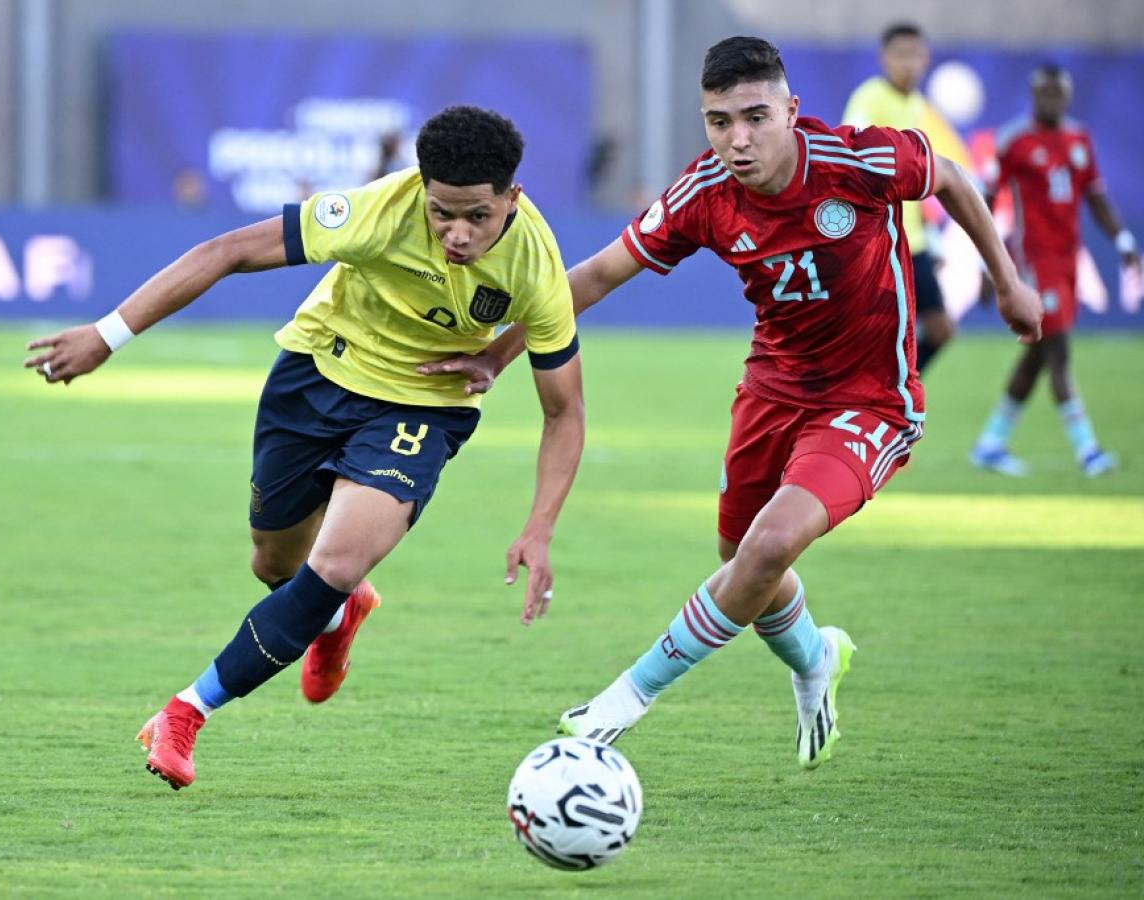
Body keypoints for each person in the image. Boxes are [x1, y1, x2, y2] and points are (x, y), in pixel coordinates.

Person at [422, 38, 1041, 768]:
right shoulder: (704, 193)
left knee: (768, 548)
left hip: (871, 399)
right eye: (719, 122)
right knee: (743, 558)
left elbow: (953, 180)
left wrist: (1007, 282)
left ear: (791, 111)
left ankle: (625, 697)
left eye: (755, 117)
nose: (737, 140)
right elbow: (596, 275)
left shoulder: (859, 159)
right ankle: (816, 659)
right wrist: (497, 352)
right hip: (771, 391)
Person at [23, 106, 585, 790]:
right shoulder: (378, 212)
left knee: (337, 562)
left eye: (477, 216)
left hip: (423, 404)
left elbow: (564, 411)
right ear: (421, 189)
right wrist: (106, 335)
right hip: (317, 373)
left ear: (512, 198)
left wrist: (538, 526)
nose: (457, 233)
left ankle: (185, 712)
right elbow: (226, 252)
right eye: (442, 213)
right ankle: (337, 615)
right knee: (274, 563)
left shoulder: (534, 264)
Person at [970, 64, 1140, 478]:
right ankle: (1088, 452)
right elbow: (982, 202)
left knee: (1038, 353)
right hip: (1033, 259)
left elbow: (1096, 197)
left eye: (1058, 94)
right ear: (1033, 96)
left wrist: (1123, 241)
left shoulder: (1079, 139)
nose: (1052, 101)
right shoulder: (1014, 140)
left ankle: (990, 443)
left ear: (1068, 96)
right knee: (1057, 349)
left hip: (1067, 260)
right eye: (1044, 93)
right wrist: (984, 264)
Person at [841, 22, 976, 374]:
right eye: (901, 55)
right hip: (879, 241)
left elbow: (917, 180)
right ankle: (876, 392)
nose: (909, 64)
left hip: (914, 242)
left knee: (941, 330)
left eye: (915, 55)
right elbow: (848, 157)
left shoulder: (917, 104)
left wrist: (932, 238)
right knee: (876, 334)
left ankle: (893, 390)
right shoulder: (870, 97)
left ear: (926, 59)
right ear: (884, 58)